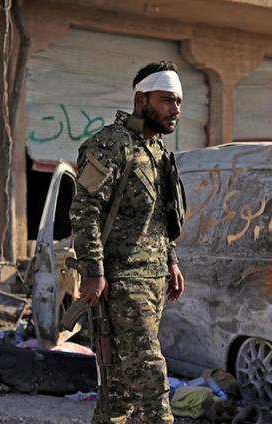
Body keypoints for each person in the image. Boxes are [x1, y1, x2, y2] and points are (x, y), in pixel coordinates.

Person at [69, 60, 186, 424]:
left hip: (153, 281)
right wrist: (93, 271)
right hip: (121, 281)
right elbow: (84, 209)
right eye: (167, 100)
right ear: (141, 99)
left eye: (179, 102)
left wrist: (171, 261)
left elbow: (163, 216)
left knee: (119, 390)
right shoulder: (110, 145)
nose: (176, 110)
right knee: (151, 379)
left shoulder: (158, 153)